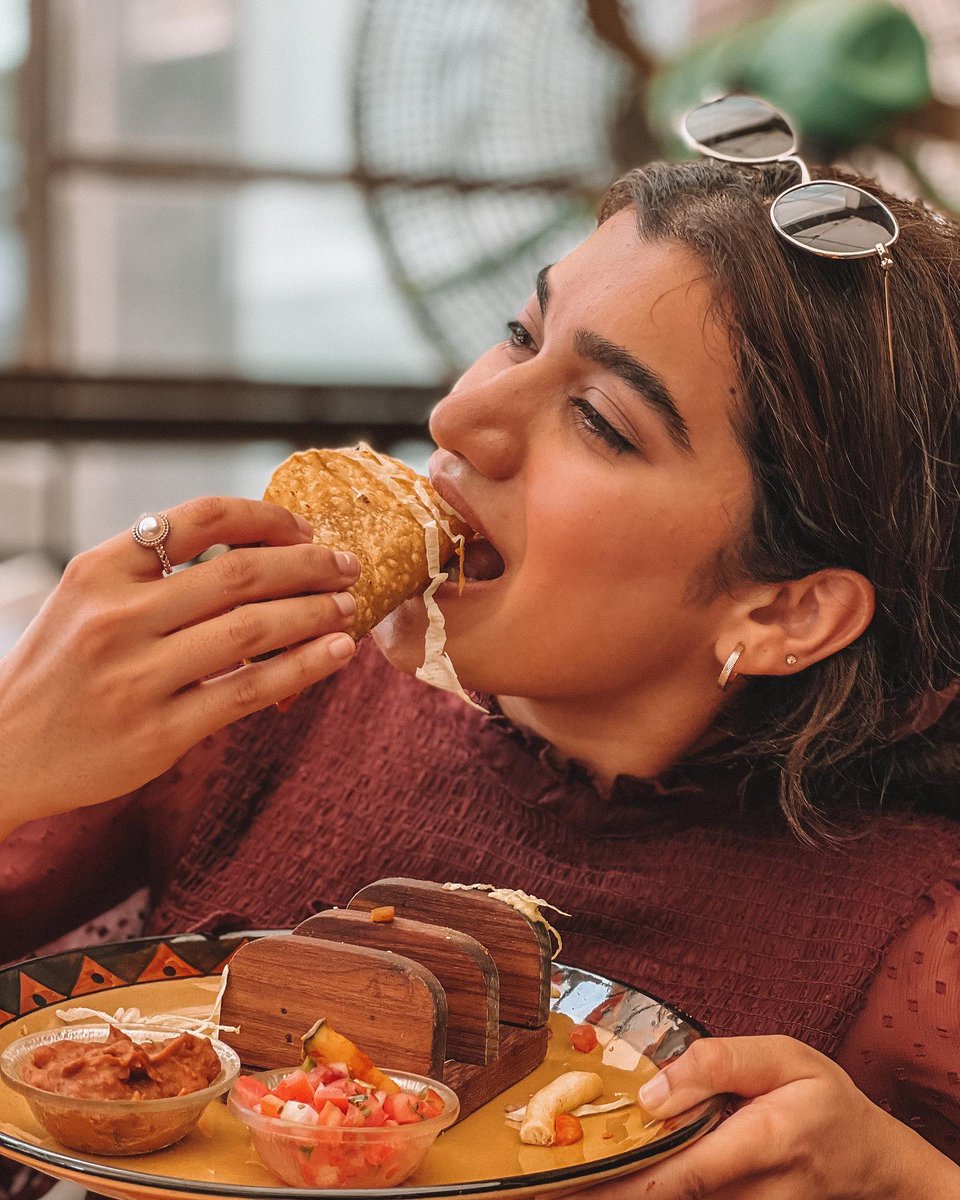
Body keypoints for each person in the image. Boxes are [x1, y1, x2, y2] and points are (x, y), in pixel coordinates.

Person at [1, 144, 959, 1197]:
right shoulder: (263, 702)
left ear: (786, 610)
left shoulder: (907, 936)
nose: (459, 417)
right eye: (521, 336)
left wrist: (910, 1182)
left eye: (600, 420)